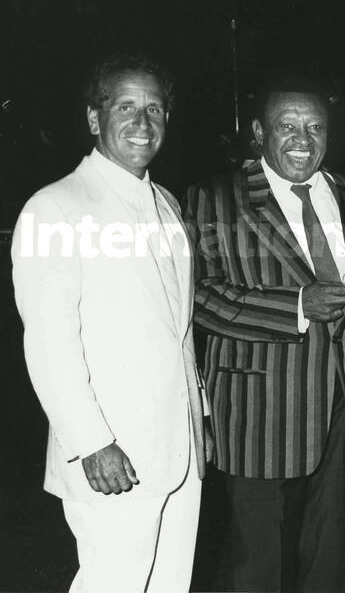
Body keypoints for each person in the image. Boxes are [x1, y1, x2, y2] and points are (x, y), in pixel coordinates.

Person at [10, 53, 210, 593]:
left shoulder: (166, 204)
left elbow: (177, 331)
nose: (143, 124)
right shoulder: (56, 208)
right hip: (113, 453)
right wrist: (92, 442)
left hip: (179, 450)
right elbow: (50, 345)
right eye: (126, 107)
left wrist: (199, 423)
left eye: (155, 109)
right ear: (95, 119)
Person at [182, 74, 345, 592]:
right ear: (259, 132)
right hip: (260, 408)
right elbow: (197, 295)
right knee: (262, 565)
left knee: (331, 560)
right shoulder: (215, 198)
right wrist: (297, 305)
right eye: (287, 126)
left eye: (315, 127)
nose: (303, 139)